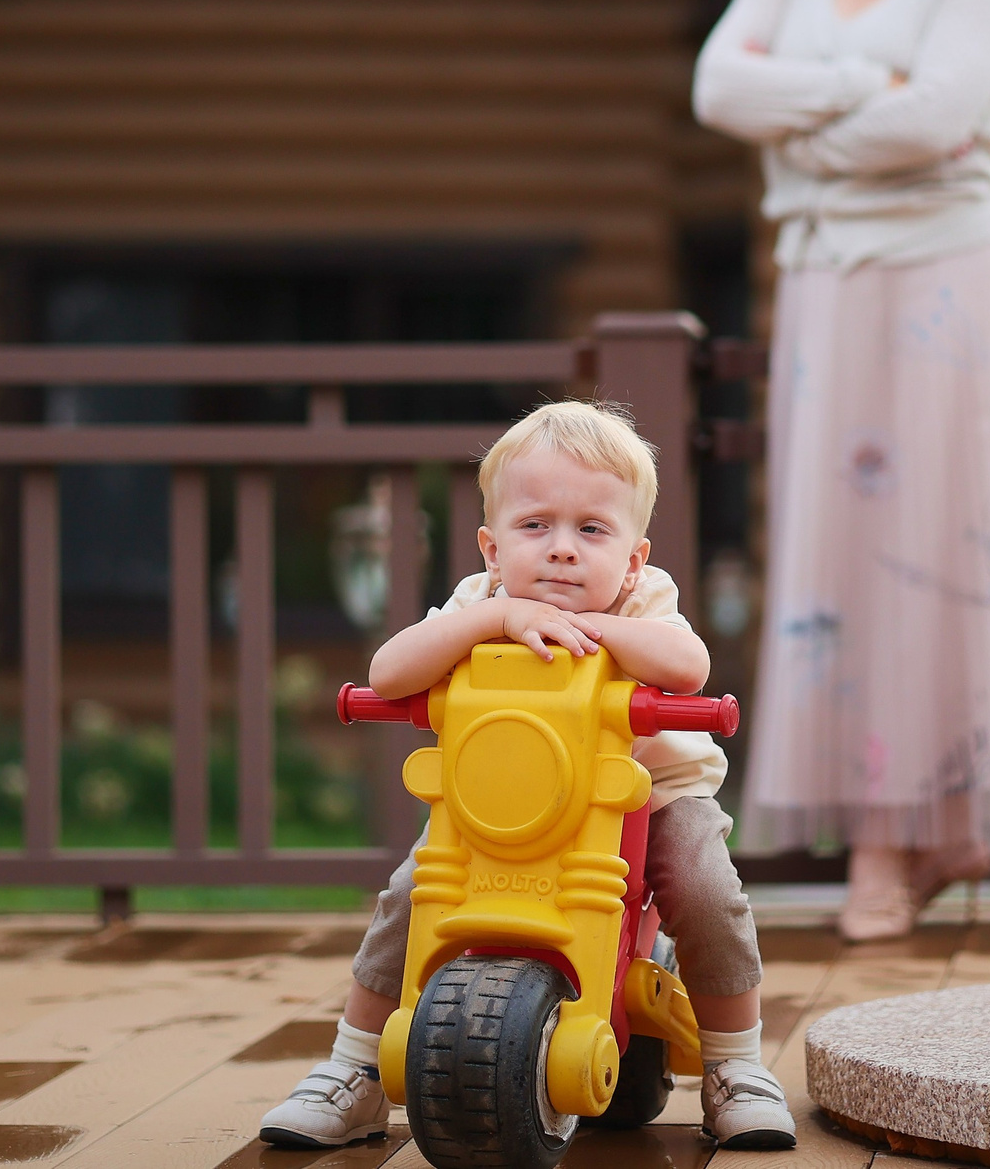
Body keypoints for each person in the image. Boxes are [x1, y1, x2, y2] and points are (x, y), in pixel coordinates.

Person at [692, 0, 990, 941]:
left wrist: (803, 120)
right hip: (825, 283)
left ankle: (895, 846)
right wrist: (865, 93)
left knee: (932, 544)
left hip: (946, 277)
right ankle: (926, 830)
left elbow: (947, 118)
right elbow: (714, 89)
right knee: (835, 544)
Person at [258, 400, 796, 1151]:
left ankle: (736, 1066)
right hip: (500, 807)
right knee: (412, 895)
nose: (562, 550)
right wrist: (495, 621)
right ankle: (354, 1070)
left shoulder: (643, 600)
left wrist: (598, 633)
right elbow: (388, 669)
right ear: (491, 546)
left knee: (705, 886)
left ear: (634, 558)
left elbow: (688, 666)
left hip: (648, 793)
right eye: (535, 525)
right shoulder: (481, 601)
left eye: (592, 529)